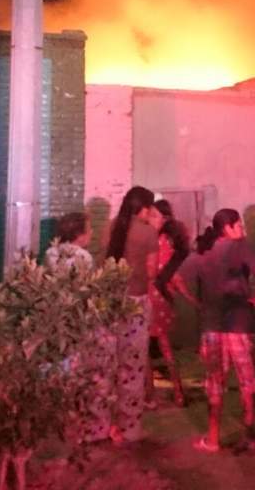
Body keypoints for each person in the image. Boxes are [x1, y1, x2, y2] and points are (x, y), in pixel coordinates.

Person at [175, 208, 255, 452]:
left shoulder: (203, 253)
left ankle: (213, 438)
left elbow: (176, 279)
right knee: (247, 380)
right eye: (239, 225)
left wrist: (196, 302)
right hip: (239, 324)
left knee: (215, 382)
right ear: (227, 228)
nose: (242, 229)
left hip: (212, 327)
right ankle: (250, 434)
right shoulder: (241, 247)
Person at [98, 185, 158, 443]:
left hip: (110, 303)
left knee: (105, 367)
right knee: (132, 367)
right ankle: (129, 428)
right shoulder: (148, 232)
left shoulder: (110, 227)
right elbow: (152, 271)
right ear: (144, 208)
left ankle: (100, 426)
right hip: (135, 304)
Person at [147, 217, 189, 407]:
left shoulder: (157, 241)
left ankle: (152, 395)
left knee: (150, 350)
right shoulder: (161, 242)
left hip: (150, 298)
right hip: (157, 298)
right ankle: (176, 392)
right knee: (162, 348)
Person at [45, 210, 93, 276]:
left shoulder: (50, 252)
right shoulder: (84, 256)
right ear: (78, 234)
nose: (91, 232)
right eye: (89, 229)